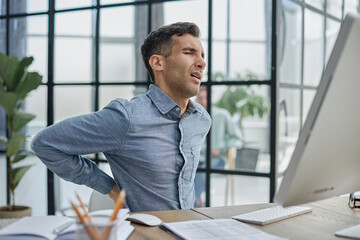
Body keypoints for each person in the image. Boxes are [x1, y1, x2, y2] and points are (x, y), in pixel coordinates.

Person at [31, 22, 211, 212]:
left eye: (202, 55)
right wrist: (107, 186)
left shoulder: (200, 119)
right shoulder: (127, 117)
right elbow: (45, 143)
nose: (202, 62)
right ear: (158, 63)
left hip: (188, 227)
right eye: (189, 52)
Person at [194, 86, 241, 207]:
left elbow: (238, 139)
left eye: (206, 98)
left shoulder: (222, 115)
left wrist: (220, 147)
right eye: (200, 98)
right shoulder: (192, 116)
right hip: (196, 158)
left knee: (201, 171)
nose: (203, 102)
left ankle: (195, 202)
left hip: (217, 159)